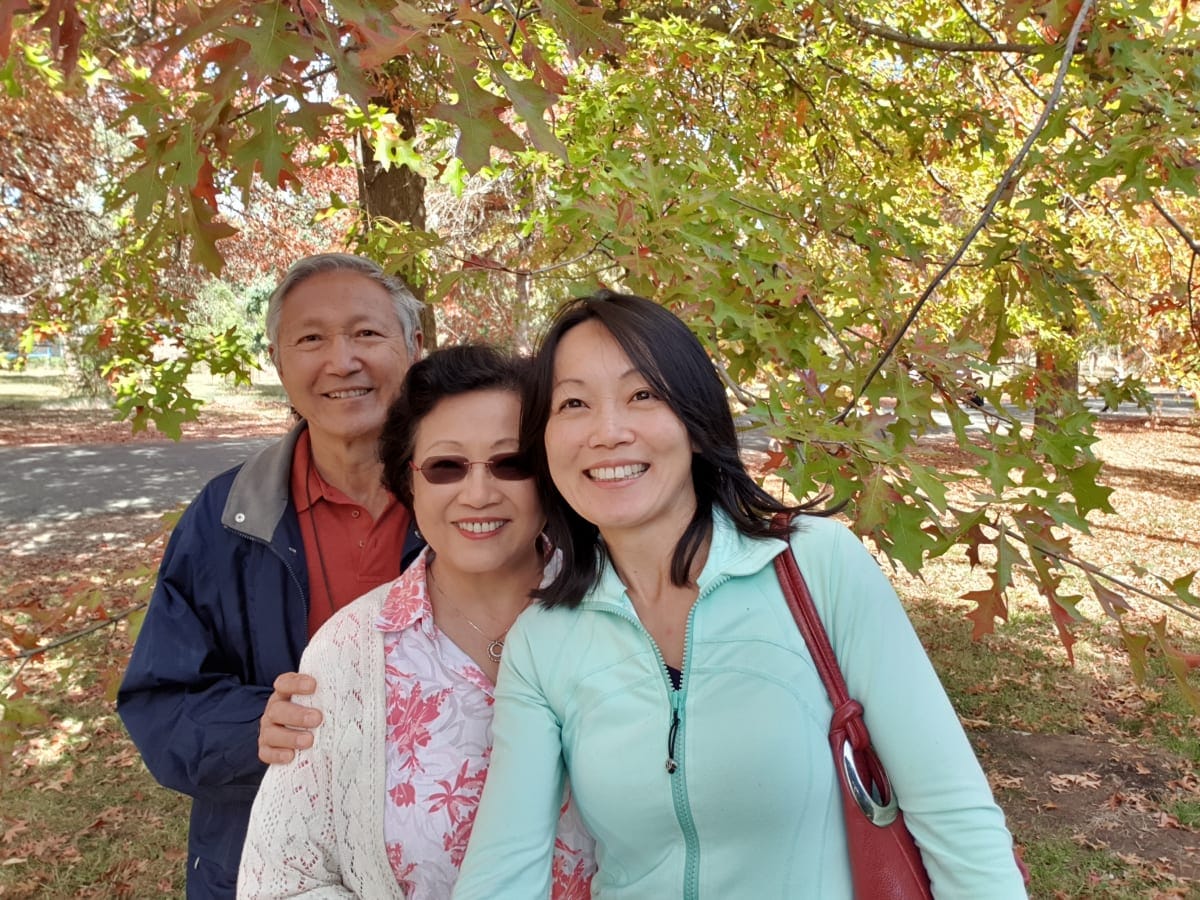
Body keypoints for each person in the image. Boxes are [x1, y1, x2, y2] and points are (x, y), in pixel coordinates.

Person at [452, 290, 1028, 899]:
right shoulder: (543, 641)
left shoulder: (814, 564)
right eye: (574, 403)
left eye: (642, 394)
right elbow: (503, 869)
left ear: (696, 424)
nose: (608, 432)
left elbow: (954, 814)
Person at [117, 253, 425, 900]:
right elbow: (160, 700)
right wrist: (254, 726)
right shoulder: (227, 519)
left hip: (445, 850)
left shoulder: (476, 496)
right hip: (269, 855)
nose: (342, 361)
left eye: (367, 334)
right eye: (311, 338)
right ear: (279, 363)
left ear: (415, 346)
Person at [237, 345, 595, 898]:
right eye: (446, 466)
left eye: (511, 463)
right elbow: (283, 880)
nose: (479, 494)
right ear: (410, 481)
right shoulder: (349, 651)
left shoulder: (619, 615)